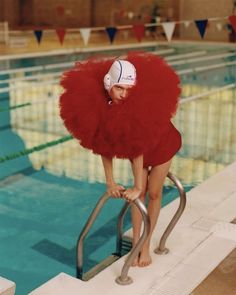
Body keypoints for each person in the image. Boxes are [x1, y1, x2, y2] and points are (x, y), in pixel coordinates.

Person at [59, 52, 182, 267]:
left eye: (128, 89)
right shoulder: (98, 105)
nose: (124, 95)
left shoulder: (135, 107)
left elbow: (137, 149)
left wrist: (137, 185)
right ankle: (136, 242)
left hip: (162, 143)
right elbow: (102, 145)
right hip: (139, 148)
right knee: (138, 195)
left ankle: (146, 243)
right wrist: (110, 182)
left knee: (152, 192)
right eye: (119, 88)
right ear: (109, 84)